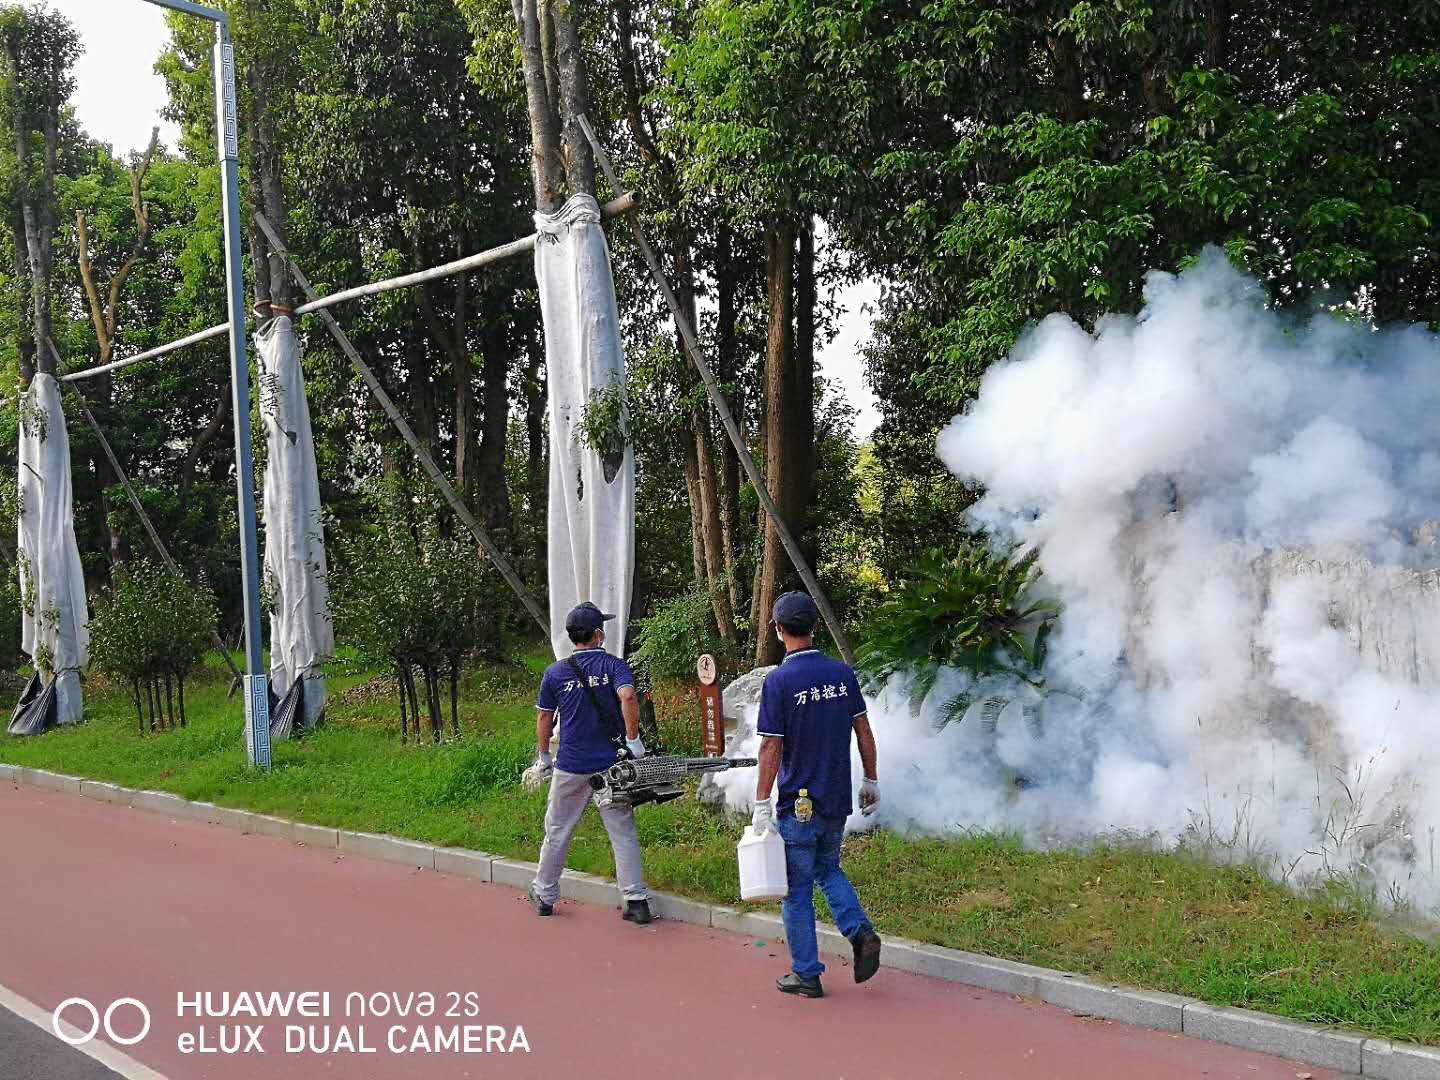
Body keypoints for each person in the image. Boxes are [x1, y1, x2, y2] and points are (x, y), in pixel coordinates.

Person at [752, 591, 881, 998]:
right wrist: (871, 779)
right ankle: (860, 932)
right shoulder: (842, 674)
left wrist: (760, 801)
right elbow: (862, 729)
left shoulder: (778, 681)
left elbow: (771, 747)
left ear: (777, 629)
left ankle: (807, 972)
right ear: (815, 627)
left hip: (798, 804)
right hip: (837, 796)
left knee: (796, 888)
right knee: (828, 869)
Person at [524, 602, 652, 924]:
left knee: (557, 829)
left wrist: (544, 757)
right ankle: (636, 901)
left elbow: (543, 716)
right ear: (598, 634)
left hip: (569, 764)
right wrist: (634, 741)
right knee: (621, 830)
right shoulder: (614, 665)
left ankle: (544, 894)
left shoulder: (555, 673)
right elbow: (627, 696)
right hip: (611, 765)